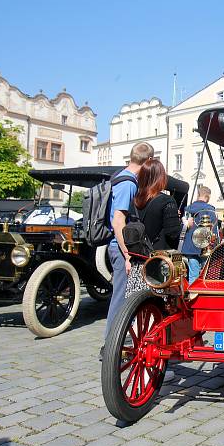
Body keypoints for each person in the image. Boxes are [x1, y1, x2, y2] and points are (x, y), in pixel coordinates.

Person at [103, 142, 154, 349]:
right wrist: (127, 255)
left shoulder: (118, 176)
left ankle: (113, 342)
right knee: (121, 296)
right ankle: (111, 345)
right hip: (119, 246)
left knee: (122, 294)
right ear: (148, 161)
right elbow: (118, 221)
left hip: (116, 246)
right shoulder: (128, 183)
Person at [124, 159, 183, 296]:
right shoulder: (167, 201)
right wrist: (180, 222)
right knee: (160, 309)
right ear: (161, 178)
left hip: (138, 262)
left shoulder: (134, 201)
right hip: (159, 264)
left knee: (138, 309)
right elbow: (172, 233)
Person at [181, 185, 217, 283]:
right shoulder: (210, 210)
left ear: (198, 195)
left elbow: (183, 228)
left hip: (190, 247)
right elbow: (213, 230)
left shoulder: (188, 209)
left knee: (193, 275)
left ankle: (193, 295)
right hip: (205, 247)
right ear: (208, 197)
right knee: (207, 275)